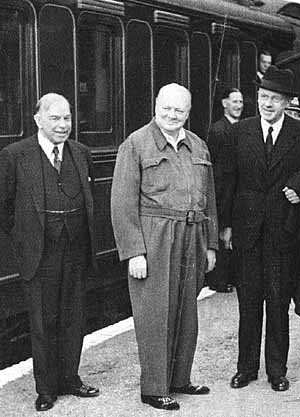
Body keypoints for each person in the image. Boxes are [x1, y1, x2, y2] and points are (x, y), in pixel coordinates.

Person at [111, 83, 217, 411]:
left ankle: (180, 379)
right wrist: (134, 252)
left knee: (186, 312)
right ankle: (154, 387)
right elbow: (122, 201)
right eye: (166, 108)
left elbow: (209, 198)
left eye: (179, 110)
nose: (171, 115)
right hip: (155, 238)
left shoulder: (198, 145)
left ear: (188, 113)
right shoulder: (136, 144)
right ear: (156, 106)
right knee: (155, 314)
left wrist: (210, 245)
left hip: (191, 237)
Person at [0, 93, 99, 412]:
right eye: (55, 118)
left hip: (76, 249)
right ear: (37, 119)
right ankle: (46, 389)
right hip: (38, 253)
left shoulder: (82, 153)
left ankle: (70, 377)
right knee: (43, 322)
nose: (62, 125)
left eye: (67, 118)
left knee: (74, 316)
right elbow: (4, 208)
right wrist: (22, 239)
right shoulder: (15, 155)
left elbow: (90, 196)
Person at [221, 65, 300, 393]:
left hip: (283, 230)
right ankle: (245, 368)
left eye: (275, 98)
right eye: (263, 97)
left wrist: (299, 185)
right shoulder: (239, 132)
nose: (268, 104)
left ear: (287, 102)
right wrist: (227, 225)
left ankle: (277, 369)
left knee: (277, 302)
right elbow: (228, 180)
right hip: (247, 231)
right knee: (248, 303)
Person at [205, 87, 243, 293]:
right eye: (234, 101)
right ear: (224, 103)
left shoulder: (244, 128)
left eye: (240, 102)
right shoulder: (218, 130)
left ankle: (233, 277)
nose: (238, 105)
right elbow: (214, 166)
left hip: (238, 190)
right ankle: (219, 280)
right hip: (223, 190)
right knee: (223, 234)